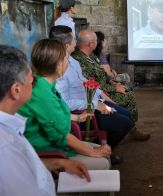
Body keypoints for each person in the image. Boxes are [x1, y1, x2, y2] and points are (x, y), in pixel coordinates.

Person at [0, 45, 90, 196]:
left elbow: (26, 164)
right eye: (30, 80)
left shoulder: (11, 126)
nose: (35, 82)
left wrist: (60, 163)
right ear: (16, 90)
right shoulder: (5, 148)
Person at [18, 39, 112, 170]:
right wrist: (92, 152)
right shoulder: (42, 93)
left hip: (55, 144)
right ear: (59, 64)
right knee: (103, 161)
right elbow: (61, 136)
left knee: (105, 152)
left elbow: (49, 116)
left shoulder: (45, 85)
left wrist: (77, 118)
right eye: (66, 58)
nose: (68, 62)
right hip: (46, 151)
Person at [50, 26, 132, 150]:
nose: (76, 43)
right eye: (74, 40)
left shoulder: (72, 61)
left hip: (93, 102)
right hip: (83, 112)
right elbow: (65, 104)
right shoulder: (59, 70)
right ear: (67, 46)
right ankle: (101, 148)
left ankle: (102, 146)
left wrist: (101, 95)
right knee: (124, 123)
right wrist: (94, 105)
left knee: (127, 115)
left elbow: (84, 81)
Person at [73, 29, 150, 141]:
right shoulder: (78, 60)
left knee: (127, 88)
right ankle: (128, 129)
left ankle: (130, 127)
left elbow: (102, 73)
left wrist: (113, 82)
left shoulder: (90, 56)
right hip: (98, 95)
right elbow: (91, 85)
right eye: (95, 41)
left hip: (105, 88)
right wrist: (113, 88)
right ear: (91, 44)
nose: (97, 43)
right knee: (128, 95)